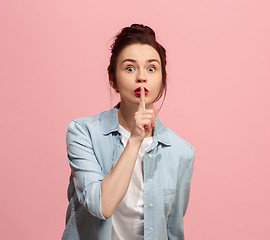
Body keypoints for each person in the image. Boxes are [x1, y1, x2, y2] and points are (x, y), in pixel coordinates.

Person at [62, 24, 195, 240]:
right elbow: (101, 205)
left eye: (151, 68)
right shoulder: (83, 133)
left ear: (162, 79)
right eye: (130, 68)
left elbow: (173, 231)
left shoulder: (181, 152)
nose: (141, 77)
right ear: (112, 78)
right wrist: (134, 140)